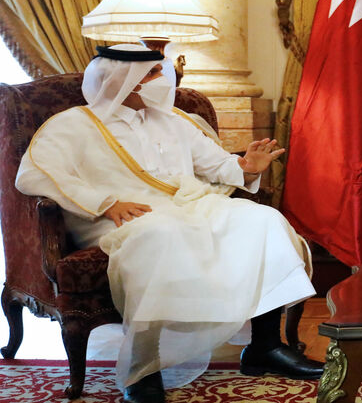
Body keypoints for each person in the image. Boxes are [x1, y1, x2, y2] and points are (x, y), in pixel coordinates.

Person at [16, 44, 323, 403]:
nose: (162, 79)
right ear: (123, 80)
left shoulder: (176, 120)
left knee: (265, 221)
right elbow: (35, 176)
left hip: (188, 205)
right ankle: (144, 370)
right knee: (159, 237)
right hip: (120, 218)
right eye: (151, 73)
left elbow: (214, 164)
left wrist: (244, 167)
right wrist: (105, 203)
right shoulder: (73, 125)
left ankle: (266, 346)